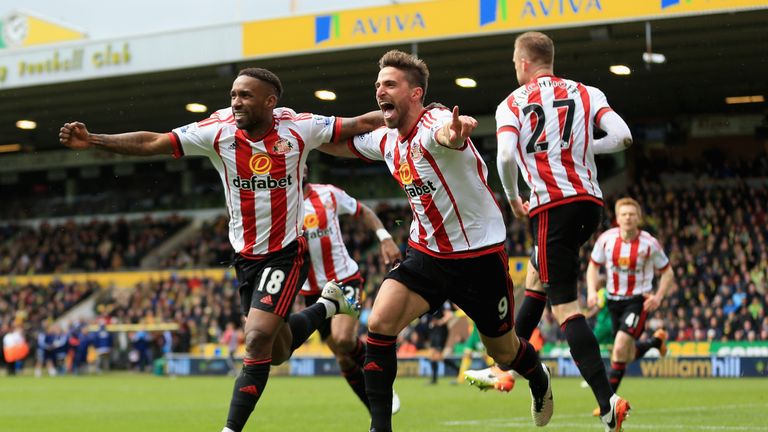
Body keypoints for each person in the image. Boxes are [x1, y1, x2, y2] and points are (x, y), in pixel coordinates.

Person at [59, 67, 383, 432]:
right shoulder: (218, 130)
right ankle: (328, 305)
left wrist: (404, 114)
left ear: (270, 102)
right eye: (233, 95)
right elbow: (154, 142)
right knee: (276, 352)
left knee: (256, 338)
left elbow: (357, 124)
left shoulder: (298, 127)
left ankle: (230, 429)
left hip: (286, 252)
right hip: (244, 258)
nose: (236, 102)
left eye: (245, 95)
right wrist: (95, 140)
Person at [319, 49, 553, 432]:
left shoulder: (437, 122)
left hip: (479, 257)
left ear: (415, 94)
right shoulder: (387, 140)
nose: (380, 90)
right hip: (427, 253)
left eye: (390, 84)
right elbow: (342, 144)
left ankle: (538, 376)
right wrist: (304, 141)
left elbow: (447, 134)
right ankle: (380, 427)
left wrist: (454, 133)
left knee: (504, 351)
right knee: (379, 323)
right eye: (378, 84)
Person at [491, 31, 633, 431]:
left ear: (522, 62)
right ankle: (505, 367)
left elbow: (504, 154)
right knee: (538, 276)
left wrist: (513, 197)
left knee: (566, 307)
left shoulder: (511, 103)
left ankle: (608, 404)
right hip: (590, 203)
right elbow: (622, 137)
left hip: (551, 205)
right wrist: (583, 148)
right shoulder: (588, 92)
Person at [299, 177, 402, 412]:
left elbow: (362, 211)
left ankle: (383, 384)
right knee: (343, 357)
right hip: (312, 292)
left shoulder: (328, 194)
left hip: (344, 279)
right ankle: (376, 411)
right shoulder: (280, 202)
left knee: (344, 338)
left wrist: (384, 237)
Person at [586, 197, 674, 415]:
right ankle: (655, 342)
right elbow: (592, 267)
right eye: (623, 214)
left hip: (637, 301)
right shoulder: (606, 240)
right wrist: (590, 291)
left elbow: (667, 272)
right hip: (613, 301)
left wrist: (659, 296)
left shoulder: (649, 244)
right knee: (626, 353)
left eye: (632, 214)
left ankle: (608, 404)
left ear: (639, 218)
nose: (627, 218)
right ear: (617, 218)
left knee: (619, 348)